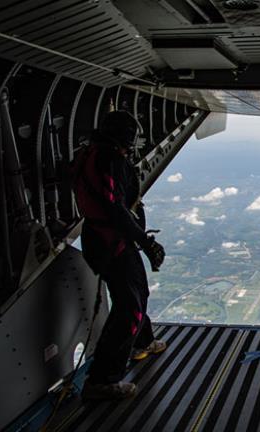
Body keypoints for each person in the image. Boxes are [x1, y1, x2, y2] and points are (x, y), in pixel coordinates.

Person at [71, 110, 167, 400]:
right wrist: (145, 242)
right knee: (129, 308)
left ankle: (143, 341)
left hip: (110, 240)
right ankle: (101, 380)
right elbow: (116, 208)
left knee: (138, 293)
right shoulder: (108, 159)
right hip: (112, 242)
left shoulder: (93, 154)